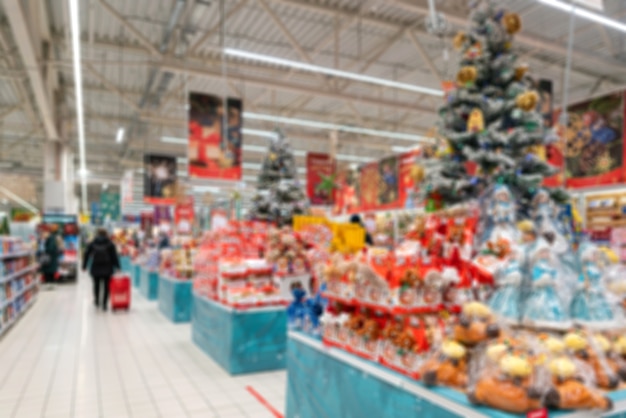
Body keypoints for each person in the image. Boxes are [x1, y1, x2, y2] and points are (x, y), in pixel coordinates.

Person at [82, 228, 120, 311]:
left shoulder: (92, 243)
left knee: (96, 285)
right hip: (108, 267)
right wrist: (118, 267)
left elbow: (86, 254)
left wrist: (84, 266)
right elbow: (114, 256)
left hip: (96, 266)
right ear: (106, 234)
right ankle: (104, 304)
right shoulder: (110, 243)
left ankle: (97, 301)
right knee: (106, 286)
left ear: (97, 234)